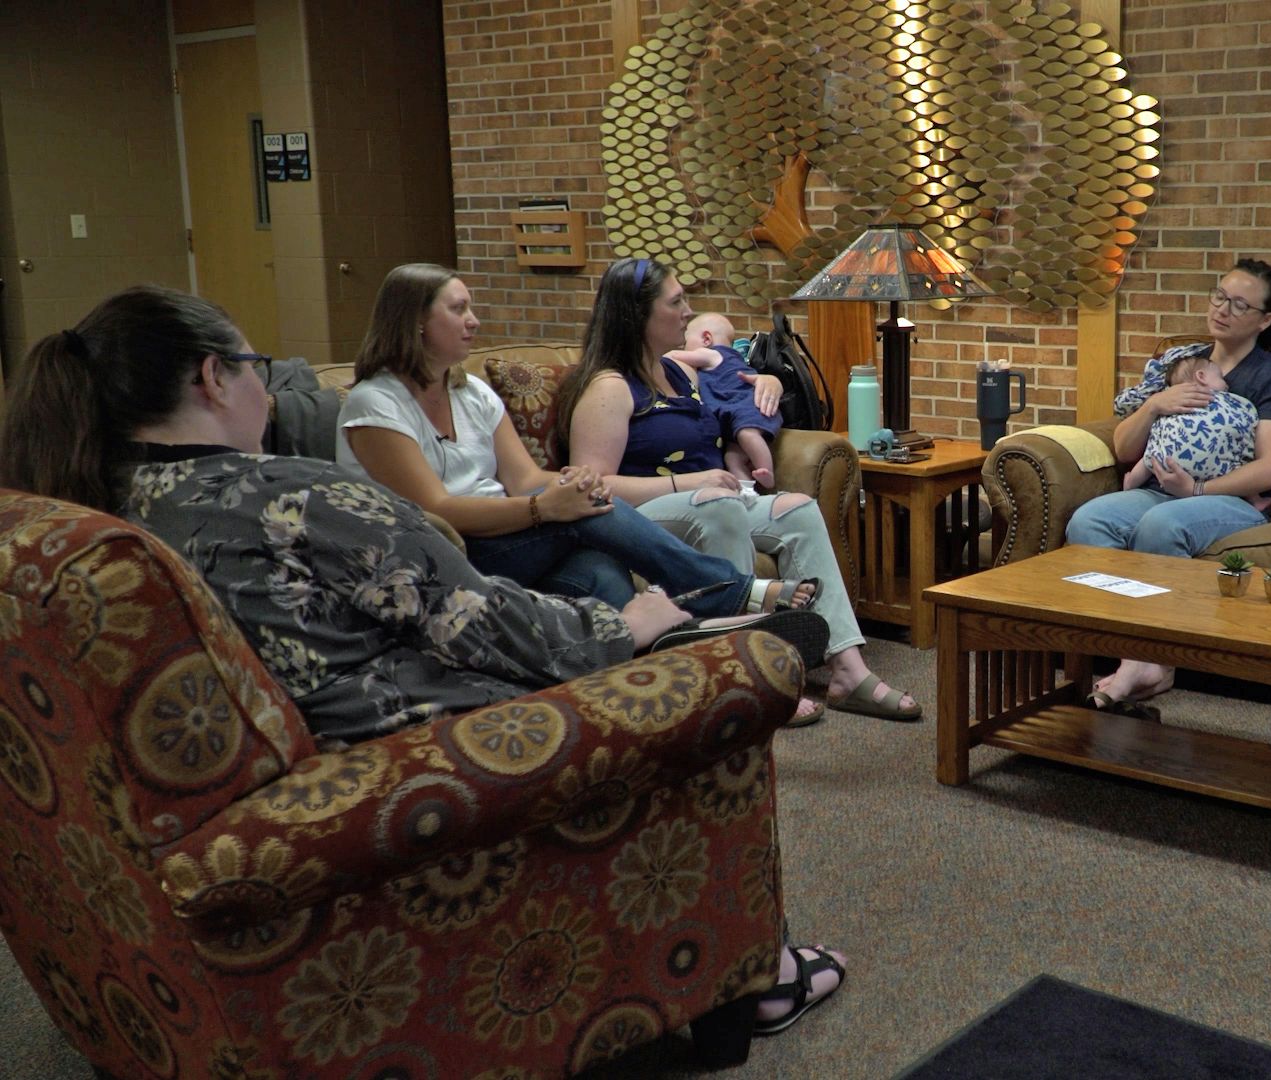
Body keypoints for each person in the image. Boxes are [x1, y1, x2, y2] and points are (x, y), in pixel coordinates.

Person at [0, 284, 847, 1032]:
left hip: (288, 760)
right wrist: (621, 631)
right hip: (405, 740)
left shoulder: (90, 506)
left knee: (593, 568)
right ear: (212, 378)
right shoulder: (288, 493)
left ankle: (704, 617)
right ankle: (752, 978)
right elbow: (473, 623)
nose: (264, 382)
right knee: (713, 675)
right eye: (252, 362)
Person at [335, 263, 815, 620]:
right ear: (415, 321)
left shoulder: (471, 391)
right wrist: (546, 510)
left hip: (508, 538)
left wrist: (572, 482)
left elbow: (524, 478)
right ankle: (735, 592)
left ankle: (665, 668)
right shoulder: (375, 405)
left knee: (599, 571)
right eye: (458, 309)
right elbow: (434, 508)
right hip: (446, 551)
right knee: (584, 512)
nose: (474, 320)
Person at [557, 257, 921, 724]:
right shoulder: (608, 388)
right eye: (676, 302)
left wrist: (766, 379)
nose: (688, 311)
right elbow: (594, 488)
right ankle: (749, 675)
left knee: (797, 509)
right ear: (638, 316)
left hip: (714, 495)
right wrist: (689, 482)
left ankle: (848, 671)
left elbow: (734, 389)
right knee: (718, 507)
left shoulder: (681, 373)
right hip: (642, 518)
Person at [1064, 258, 1271, 712]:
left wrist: (1194, 491)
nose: (1223, 310)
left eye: (1239, 304)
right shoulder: (1178, 363)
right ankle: (1128, 650)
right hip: (1160, 486)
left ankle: (1154, 661)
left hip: (1230, 499)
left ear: (1266, 319)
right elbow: (1122, 449)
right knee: (1089, 521)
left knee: (1162, 524)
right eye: (1219, 296)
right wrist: (1156, 404)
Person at [1120, 352, 1268, 513]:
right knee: (1239, 463)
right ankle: (1255, 499)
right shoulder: (1228, 400)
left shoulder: (1172, 401)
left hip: (1171, 465)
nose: (1226, 384)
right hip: (1217, 469)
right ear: (1201, 377)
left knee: (1153, 452)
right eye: (1221, 378)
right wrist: (1152, 405)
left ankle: (1132, 481)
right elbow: (1247, 419)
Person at [670, 311, 781, 492]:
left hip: (747, 406)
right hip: (734, 414)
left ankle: (767, 471)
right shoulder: (732, 358)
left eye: (686, 342)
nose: (684, 348)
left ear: (706, 339)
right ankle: (747, 491)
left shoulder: (714, 354)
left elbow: (676, 357)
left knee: (748, 434)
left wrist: (670, 353)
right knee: (732, 457)